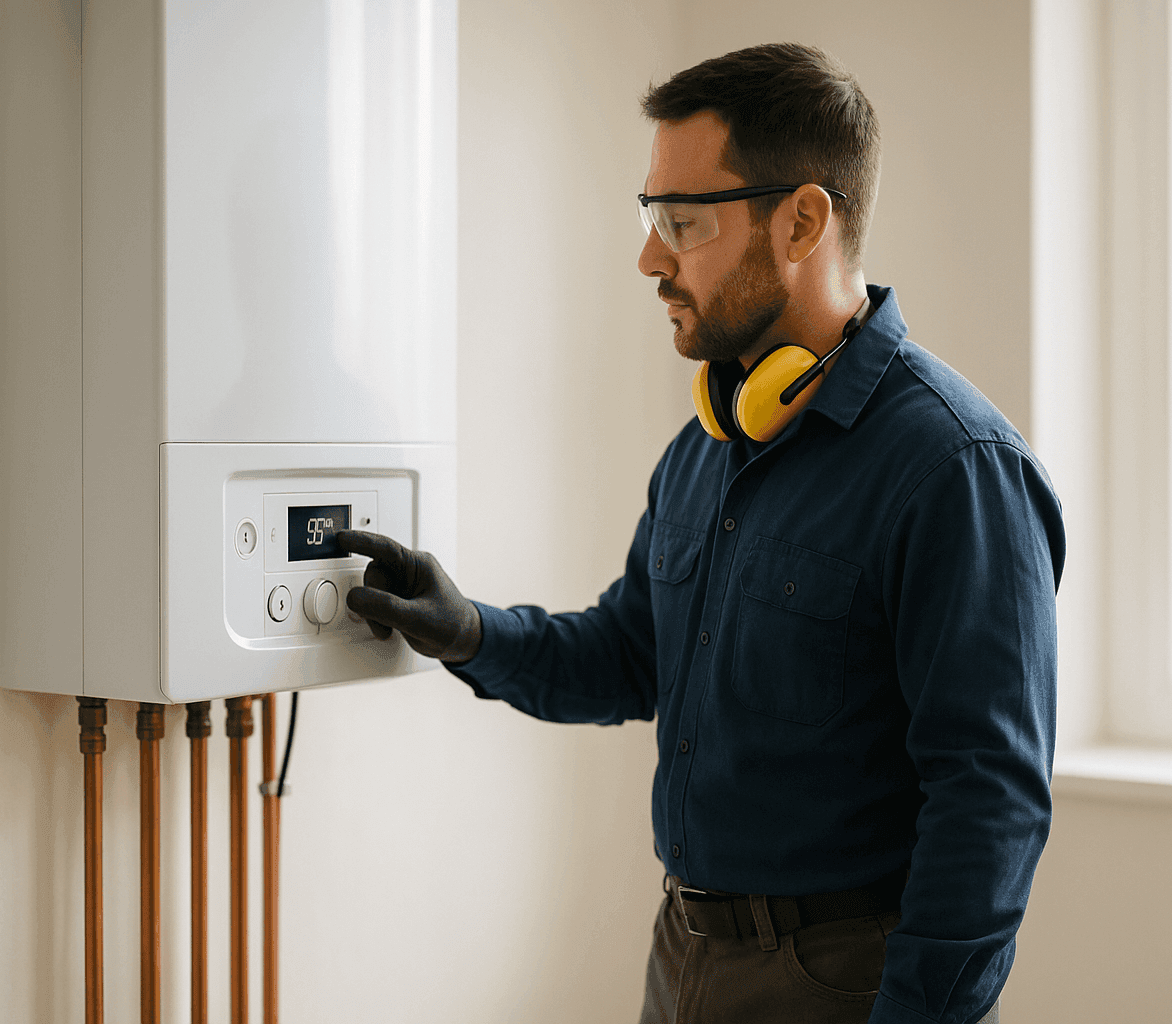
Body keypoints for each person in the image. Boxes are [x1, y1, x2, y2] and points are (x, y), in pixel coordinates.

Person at [337, 42, 1062, 1024]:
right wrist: (471, 629)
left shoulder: (956, 469)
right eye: (652, 219)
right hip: (682, 957)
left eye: (681, 222)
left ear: (803, 219)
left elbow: (990, 806)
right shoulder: (703, 450)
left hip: (843, 982)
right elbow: (633, 655)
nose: (649, 257)